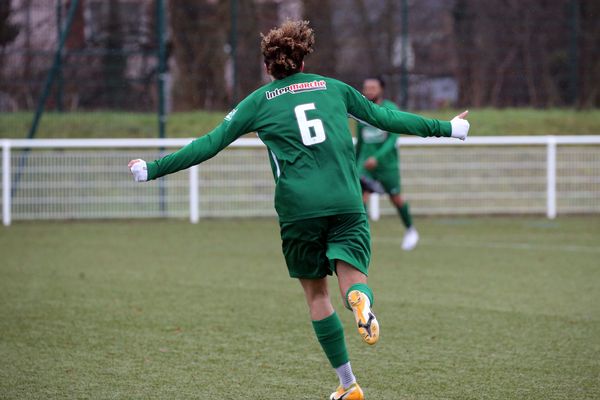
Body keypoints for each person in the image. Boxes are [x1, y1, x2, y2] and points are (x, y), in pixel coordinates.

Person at [128, 20, 469, 400]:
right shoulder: (335, 89)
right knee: (353, 278)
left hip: (299, 209)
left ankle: (348, 384)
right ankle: (360, 301)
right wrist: (448, 127)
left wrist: (153, 168)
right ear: (304, 60)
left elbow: (209, 143)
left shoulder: (257, 102)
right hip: (345, 200)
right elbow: (387, 120)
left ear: (267, 66)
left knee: (317, 296)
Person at [356, 77, 419, 251]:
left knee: (396, 199)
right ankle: (361, 237)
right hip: (365, 165)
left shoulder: (390, 109)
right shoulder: (361, 109)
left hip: (386, 165)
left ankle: (410, 230)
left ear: (381, 89)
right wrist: (355, 162)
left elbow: (393, 139)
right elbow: (361, 140)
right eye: (366, 87)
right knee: (360, 198)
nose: (368, 90)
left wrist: (377, 157)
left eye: (373, 87)